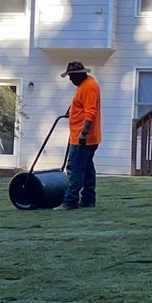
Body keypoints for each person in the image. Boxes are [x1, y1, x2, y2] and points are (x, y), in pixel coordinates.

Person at [60, 61, 100, 209]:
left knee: (74, 168)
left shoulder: (89, 87)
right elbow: (83, 107)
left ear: (79, 75)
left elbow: (91, 113)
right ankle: (88, 200)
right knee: (87, 168)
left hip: (83, 138)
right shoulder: (85, 85)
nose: (70, 80)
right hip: (85, 137)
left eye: (71, 76)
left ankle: (70, 201)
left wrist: (83, 134)